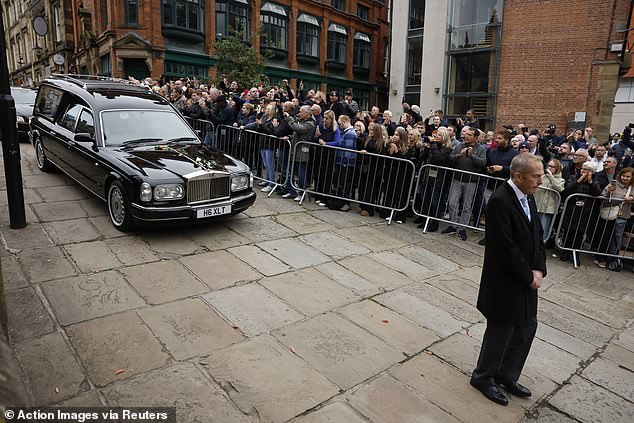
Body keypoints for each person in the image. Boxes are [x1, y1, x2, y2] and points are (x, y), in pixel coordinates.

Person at [470, 153, 547, 407]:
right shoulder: (500, 201)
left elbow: (538, 235)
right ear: (518, 176)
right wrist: (528, 276)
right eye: (536, 176)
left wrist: (539, 268)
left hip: (526, 281)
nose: (541, 180)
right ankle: (483, 377)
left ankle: (506, 374)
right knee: (501, 332)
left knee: (527, 328)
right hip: (505, 283)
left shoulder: (528, 196)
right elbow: (504, 247)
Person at [534, 158, 565, 242]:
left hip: (547, 209)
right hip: (536, 205)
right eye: (549, 166)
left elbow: (559, 188)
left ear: (557, 168)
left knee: (544, 228)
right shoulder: (542, 176)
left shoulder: (560, 180)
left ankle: (541, 245)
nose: (550, 168)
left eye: (552, 166)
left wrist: (551, 176)